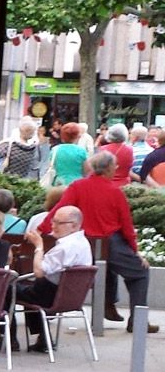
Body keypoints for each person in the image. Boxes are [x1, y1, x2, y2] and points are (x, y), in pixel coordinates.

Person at [40, 151, 158, 333]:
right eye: (115, 166)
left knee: (107, 264)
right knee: (139, 273)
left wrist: (41, 229)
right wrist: (136, 252)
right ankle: (137, 319)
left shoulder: (77, 186)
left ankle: (108, 304)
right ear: (110, 168)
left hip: (82, 244)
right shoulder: (115, 192)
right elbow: (127, 226)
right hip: (109, 243)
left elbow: (59, 209)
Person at [18, 206, 92, 352]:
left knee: (8, 289)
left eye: (59, 223)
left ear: (74, 226)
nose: (53, 226)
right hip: (71, 297)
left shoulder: (65, 247)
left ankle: (8, 338)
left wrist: (39, 246)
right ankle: (43, 338)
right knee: (26, 290)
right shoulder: (83, 243)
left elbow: (39, 271)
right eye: (54, 221)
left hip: (50, 296)